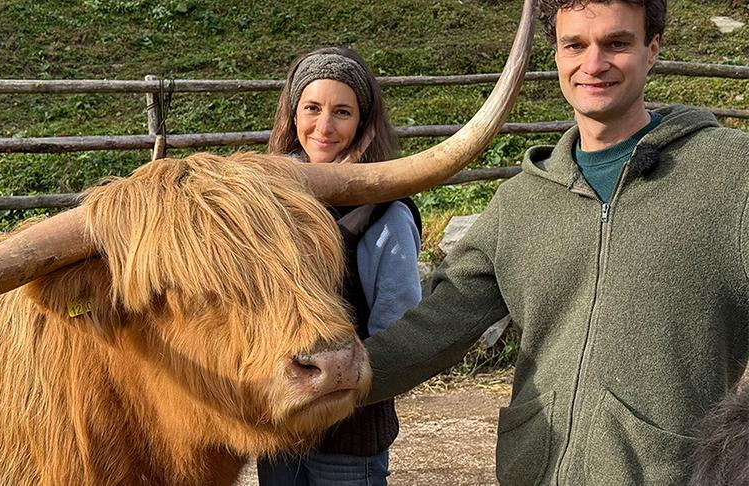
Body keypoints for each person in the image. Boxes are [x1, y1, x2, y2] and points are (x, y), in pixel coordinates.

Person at [361, 0, 749, 484]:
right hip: (534, 473)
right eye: (575, 46)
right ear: (557, 56)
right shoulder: (520, 201)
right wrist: (345, 374)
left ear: (652, 50)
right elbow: (435, 329)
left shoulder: (733, 175)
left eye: (616, 43)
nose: (593, 64)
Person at [257, 47, 422, 486]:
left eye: (342, 112)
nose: (324, 127)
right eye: (312, 108)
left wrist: (346, 392)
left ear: (362, 123)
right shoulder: (262, 207)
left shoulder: (387, 214)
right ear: (293, 116)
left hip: (348, 435)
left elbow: (397, 322)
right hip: (279, 426)